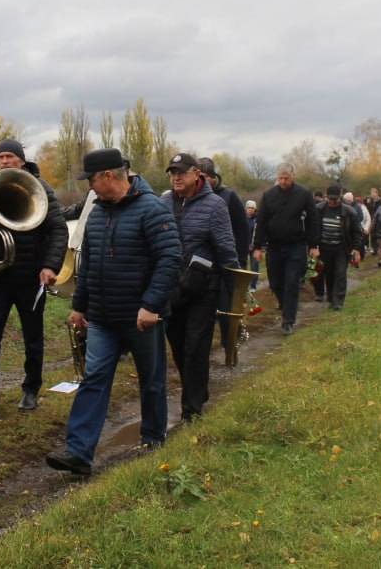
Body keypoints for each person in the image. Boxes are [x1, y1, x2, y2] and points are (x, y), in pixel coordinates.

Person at [46, 148, 180, 476]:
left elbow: (170, 259)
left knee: (151, 381)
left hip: (141, 318)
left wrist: (151, 305)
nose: (89, 186)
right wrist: (79, 307)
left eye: (91, 179)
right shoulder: (97, 213)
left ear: (108, 175)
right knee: (94, 379)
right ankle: (78, 452)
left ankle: (152, 442)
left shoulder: (152, 209)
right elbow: (88, 265)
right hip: (103, 317)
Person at [0, 139, 68, 415]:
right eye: (0, 157)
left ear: (21, 159)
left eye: (9, 156)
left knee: (32, 336)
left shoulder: (41, 190)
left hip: (31, 277)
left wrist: (50, 266)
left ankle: (31, 389)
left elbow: (58, 230)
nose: (4, 161)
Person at [162, 154, 237, 421]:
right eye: (173, 173)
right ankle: (197, 390)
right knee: (178, 346)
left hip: (203, 289)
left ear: (197, 174)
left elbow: (226, 247)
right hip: (172, 287)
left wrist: (234, 289)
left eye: (181, 172)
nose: (176, 178)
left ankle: (191, 409)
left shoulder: (215, 205)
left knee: (196, 346)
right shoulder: (163, 202)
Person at [251, 164, 319, 334]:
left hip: (296, 245)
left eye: (286, 178)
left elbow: (313, 220)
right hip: (274, 246)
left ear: (293, 176)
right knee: (275, 282)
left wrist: (313, 245)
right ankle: (284, 303)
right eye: (280, 178)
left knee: (292, 282)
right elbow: (261, 222)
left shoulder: (303, 194)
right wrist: (257, 246)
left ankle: (288, 320)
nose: (283, 181)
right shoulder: (269, 195)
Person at [197, 157, 250, 359]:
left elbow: (242, 230)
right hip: (202, 267)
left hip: (227, 265)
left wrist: (240, 262)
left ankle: (230, 348)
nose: (200, 181)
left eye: (204, 177)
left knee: (227, 311)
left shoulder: (229, 197)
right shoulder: (190, 198)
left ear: (212, 177)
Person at [313, 186, 363, 310]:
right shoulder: (319, 209)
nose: (332, 201)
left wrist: (356, 248)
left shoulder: (349, 211)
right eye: (330, 199)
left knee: (340, 273)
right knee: (328, 273)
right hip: (324, 247)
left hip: (341, 247)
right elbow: (313, 229)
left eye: (335, 199)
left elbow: (357, 231)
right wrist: (313, 246)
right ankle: (331, 297)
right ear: (326, 197)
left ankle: (338, 301)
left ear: (340, 197)